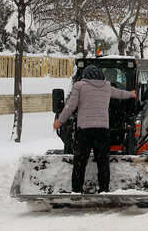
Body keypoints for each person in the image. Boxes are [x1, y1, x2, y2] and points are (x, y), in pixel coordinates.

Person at [53, 64, 137, 193]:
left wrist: (59, 121)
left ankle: (76, 190)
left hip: (85, 131)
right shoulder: (107, 86)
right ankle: (104, 189)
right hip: (102, 131)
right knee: (103, 162)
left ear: (85, 76)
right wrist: (130, 94)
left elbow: (70, 106)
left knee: (80, 162)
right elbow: (120, 94)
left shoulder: (79, 86)